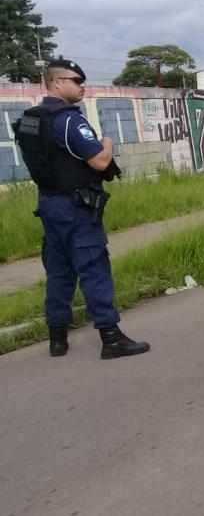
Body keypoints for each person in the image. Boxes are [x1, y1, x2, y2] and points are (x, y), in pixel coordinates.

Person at [12, 58, 150, 359]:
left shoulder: (31, 120)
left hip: (49, 203)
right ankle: (111, 339)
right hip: (77, 206)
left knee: (59, 271)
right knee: (94, 267)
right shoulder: (68, 119)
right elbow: (99, 161)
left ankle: (57, 339)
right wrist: (108, 142)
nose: (82, 85)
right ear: (57, 83)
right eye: (76, 80)